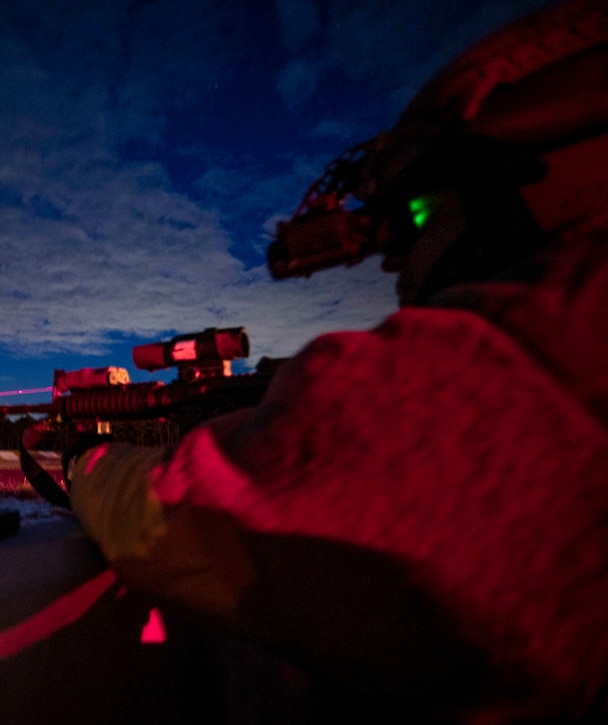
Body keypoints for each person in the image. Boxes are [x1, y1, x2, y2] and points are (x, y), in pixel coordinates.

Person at [66, 1, 608, 722]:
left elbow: (179, 512)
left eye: (416, 217)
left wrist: (86, 463)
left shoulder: (548, 339)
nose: (395, 261)